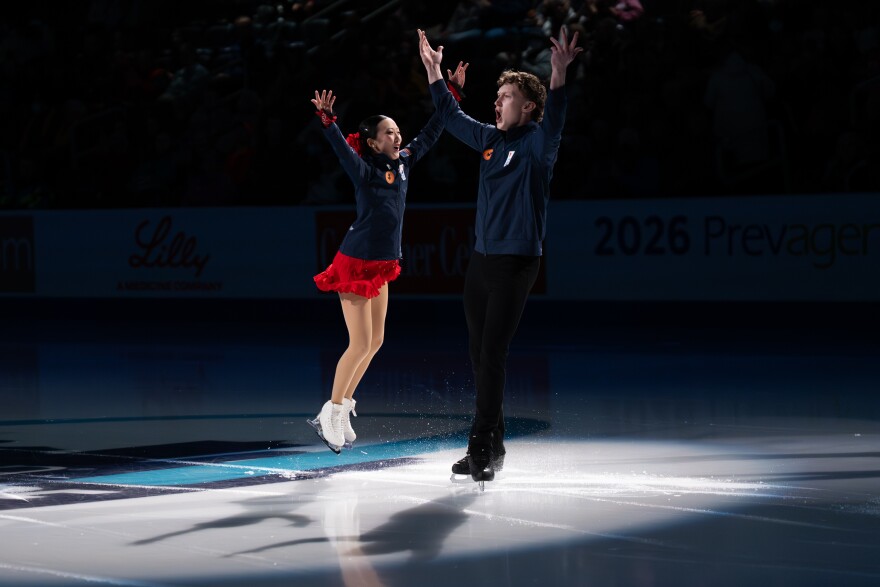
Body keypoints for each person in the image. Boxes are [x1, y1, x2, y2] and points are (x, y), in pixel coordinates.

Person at [418, 26, 582, 486]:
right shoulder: (489, 140)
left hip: (516, 265)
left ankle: (480, 446)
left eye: (507, 96)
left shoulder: (537, 145)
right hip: (480, 264)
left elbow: (557, 120)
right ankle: (498, 440)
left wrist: (559, 75)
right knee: (479, 355)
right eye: (498, 96)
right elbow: (450, 118)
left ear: (528, 107)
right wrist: (433, 72)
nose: (498, 101)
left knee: (493, 353)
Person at [307, 67, 466, 454]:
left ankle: (341, 410)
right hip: (355, 263)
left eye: (397, 131)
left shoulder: (404, 162)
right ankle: (330, 411)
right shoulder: (364, 171)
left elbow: (431, 131)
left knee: (376, 341)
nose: (397, 136)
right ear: (374, 144)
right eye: (388, 133)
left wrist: (452, 96)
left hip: (381, 263)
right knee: (359, 342)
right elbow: (343, 150)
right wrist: (329, 124)